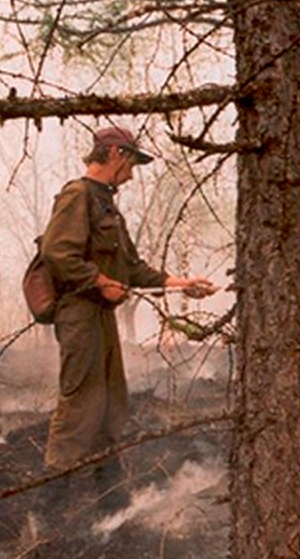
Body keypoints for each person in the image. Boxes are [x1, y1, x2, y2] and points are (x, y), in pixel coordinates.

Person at [40, 125, 217, 507]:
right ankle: (48, 512)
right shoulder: (78, 195)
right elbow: (57, 252)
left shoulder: (106, 204)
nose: (133, 173)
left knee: (108, 402)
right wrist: (100, 281)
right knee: (80, 403)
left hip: (99, 318)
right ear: (116, 154)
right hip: (79, 314)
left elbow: (133, 269)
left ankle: (112, 503)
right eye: (132, 162)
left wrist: (180, 283)